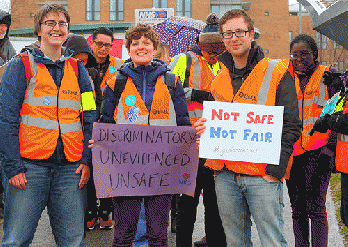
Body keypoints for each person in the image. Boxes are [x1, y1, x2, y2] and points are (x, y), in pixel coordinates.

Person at [194, 9, 301, 246]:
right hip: (224, 176)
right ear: (222, 38)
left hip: (262, 176)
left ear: (251, 34)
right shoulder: (219, 76)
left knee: (272, 240)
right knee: (236, 242)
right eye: (228, 34)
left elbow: (292, 125)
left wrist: (276, 170)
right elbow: (216, 122)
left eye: (239, 32)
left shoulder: (276, 71)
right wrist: (204, 128)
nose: (234, 38)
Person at [0, 4, 97, 247]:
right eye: (50, 23)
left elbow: (89, 115)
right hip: (29, 167)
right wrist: (12, 167)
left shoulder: (78, 69)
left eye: (62, 23)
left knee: (73, 242)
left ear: (68, 30)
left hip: (70, 168)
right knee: (16, 241)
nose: (56, 28)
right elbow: (6, 118)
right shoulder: (20, 65)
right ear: (39, 30)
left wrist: (86, 160)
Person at [95, 23, 191, 247]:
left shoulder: (171, 82)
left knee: (158, 235)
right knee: (123, 234)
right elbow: (106, 123)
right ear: (128, 49)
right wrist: (98, 142)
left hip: (161, 169)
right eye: (135, 43)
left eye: (146, 43)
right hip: (126, 170)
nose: (141, 47)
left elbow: (183, 122)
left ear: (154, 48)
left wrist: (191, 137)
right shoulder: (115, 83)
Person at [168, 13, 227, 247]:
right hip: (189, 143)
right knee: (187, 203)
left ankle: (212, 241)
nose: (213, 53)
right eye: (209, 48)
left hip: (217, 145)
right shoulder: (185, 60)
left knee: (214, 204)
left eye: (217, 48)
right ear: (201, 44)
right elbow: (168, 88)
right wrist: (195, 93)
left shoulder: (226, 63)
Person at [285, 34, 338, 247]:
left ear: (314, 54)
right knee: (297, 209)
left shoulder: (329, 76)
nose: (299, 58)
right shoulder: (284, 77)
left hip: (319, 151)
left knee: (316, 208)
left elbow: (339, 113)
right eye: (295, 54)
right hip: (292, 152)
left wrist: (331, 148)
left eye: (304, 54)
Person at [86, 26, 123, 229]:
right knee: (89, 168)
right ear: (92, 43)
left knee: (108, 170)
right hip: (88, 122)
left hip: (110, 124)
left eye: (107, 45)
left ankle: (106, 212)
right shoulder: (81, 64)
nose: (103, 48)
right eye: (100, 44)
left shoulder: (118, 66)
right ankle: (90, 211)